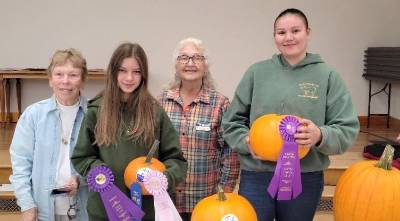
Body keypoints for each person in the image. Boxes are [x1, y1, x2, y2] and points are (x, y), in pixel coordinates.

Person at [222, 8, 360, 221]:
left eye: (295, 30)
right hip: (257, 174)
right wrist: (246, 142)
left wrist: (320, 135)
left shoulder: (328, 76)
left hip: (305, 176)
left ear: (308, 32)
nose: (288, 38)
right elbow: (232, 121)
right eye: (281, 32)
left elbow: (347, 128)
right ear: (274, 36)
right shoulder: (256, 73)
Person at [71, 42, 188, 221]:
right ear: (113, 72)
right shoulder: (96, 111)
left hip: (148, 212)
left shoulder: (155, 112)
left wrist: (164, 178)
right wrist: (99, 172)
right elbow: (82, 157)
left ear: (144, 75)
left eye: (137, 72)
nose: (129, 78)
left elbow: (176, 159)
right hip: (105, 211)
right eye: (123, 70)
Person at [157, 37, 240, 221]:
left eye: (197, 58)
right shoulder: (161, 102)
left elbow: (231, 151)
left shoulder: (220, 104)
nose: (190, 63)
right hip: (166, 201)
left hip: (205, 202)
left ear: (206, 65)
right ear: (176, 65)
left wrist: (225, 192)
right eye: (184, 58)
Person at [10, 48, 89, 221]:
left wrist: (80, 179)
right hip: (43, 210)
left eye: (73, 75)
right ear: (50, 80)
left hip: (85, 209)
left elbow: (103, 160)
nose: (65, 81)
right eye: (59, 74)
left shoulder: (95, 115)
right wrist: (27, 205)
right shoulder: (33, 115)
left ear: (83, 80)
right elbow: (21, 164)